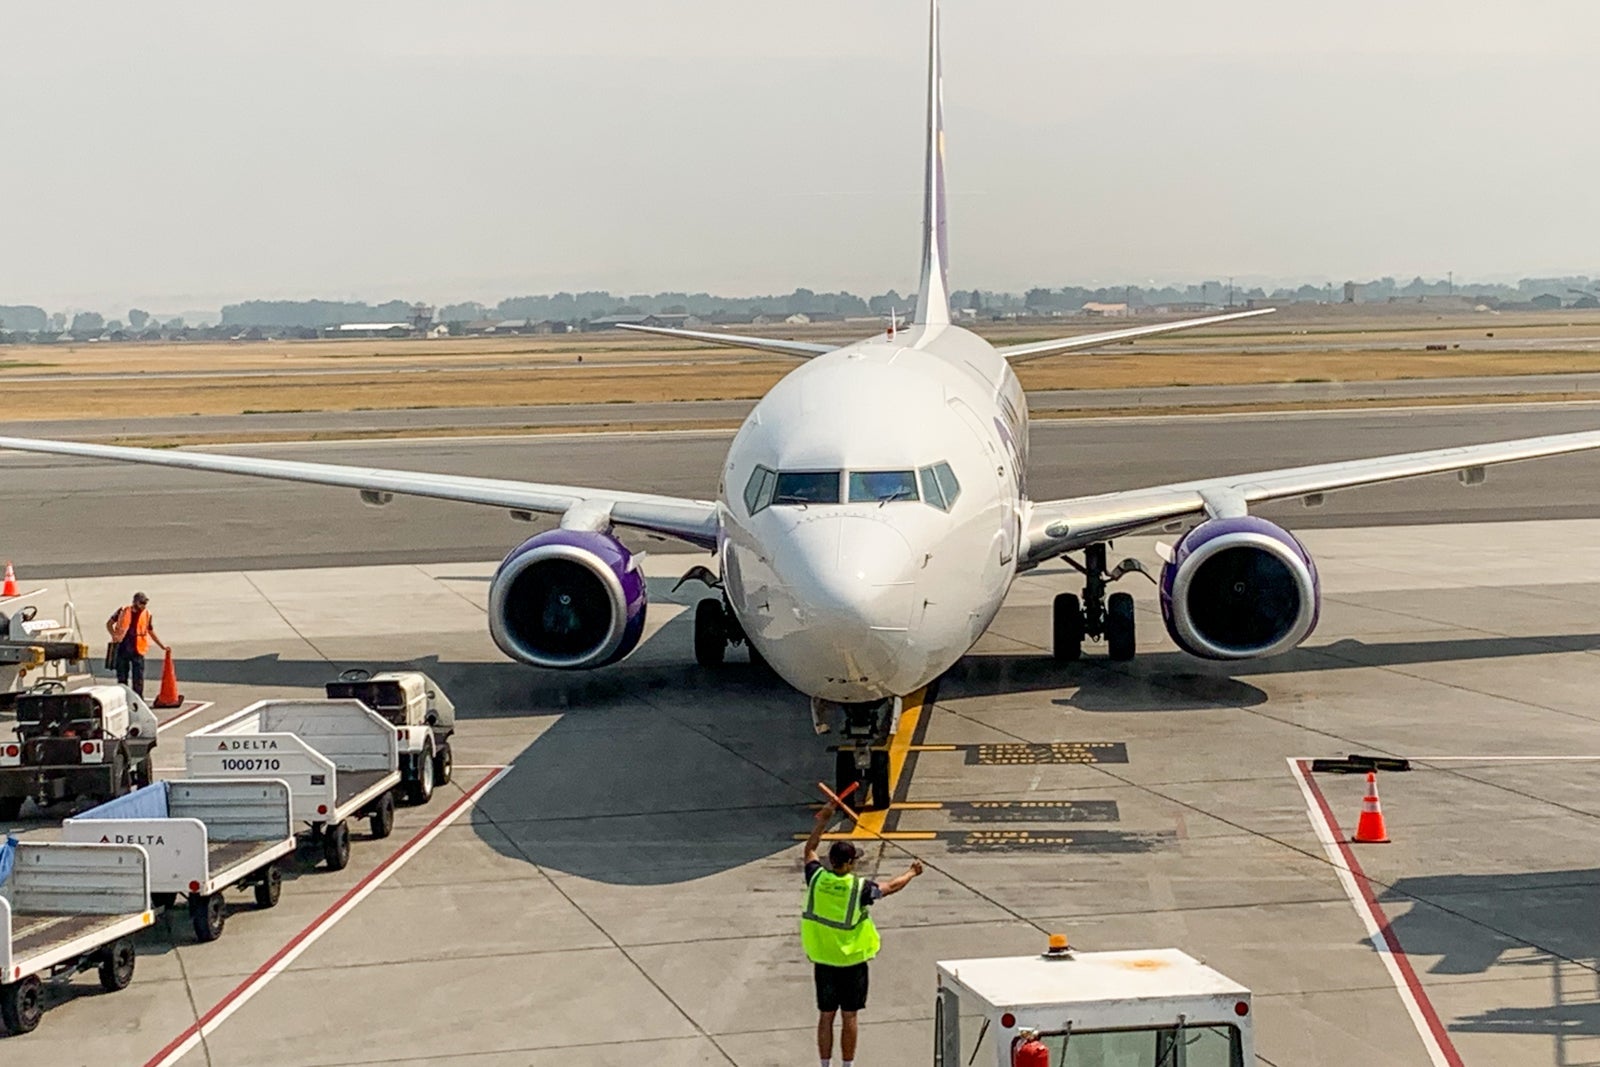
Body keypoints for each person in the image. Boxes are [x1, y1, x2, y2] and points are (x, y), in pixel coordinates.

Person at [801, 798, 923, 1067]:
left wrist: (824, 819)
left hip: (823, 960)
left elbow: (809, 849)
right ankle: (848, 1065)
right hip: (853, 962)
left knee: (826, 1016)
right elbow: (890, 887)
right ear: (850, 863)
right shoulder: (859, 889)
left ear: (831, 861)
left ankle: (824, 1064)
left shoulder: (817, 878)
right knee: (850, 1017)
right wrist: (912, 872)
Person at [105, 592, 168, 698]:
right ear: (135, 602)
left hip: (138, 649)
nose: (143, 606)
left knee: (138, 679)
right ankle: (123, 699)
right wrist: (114, 635)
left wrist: (162, 646)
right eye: (141, 603)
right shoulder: (123, 611)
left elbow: (150, 631)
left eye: (145, 603)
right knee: (122, 677)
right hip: (122, 648)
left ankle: (138, 699)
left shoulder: (147, 614)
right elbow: (109, 624)